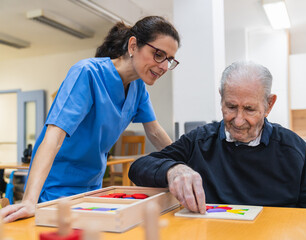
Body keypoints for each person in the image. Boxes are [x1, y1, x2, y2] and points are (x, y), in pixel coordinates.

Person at [1, 16, 180, 222]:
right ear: (133, 45)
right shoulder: (87, 73)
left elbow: (155, 132)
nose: (164, 66)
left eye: (169, 60)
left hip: (93, 187)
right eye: (158, 54)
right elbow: (54, 136)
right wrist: (29, 201)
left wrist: (187, 168)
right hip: (56, 186)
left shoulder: (138, 88)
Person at [129, 61, 306, 214]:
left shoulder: (293, 148)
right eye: (231, 107)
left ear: (269, 105)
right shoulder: (200, 141)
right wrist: (173, 169)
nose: (238, 121)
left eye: (249, 109)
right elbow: (138, 168)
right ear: (221, 99)